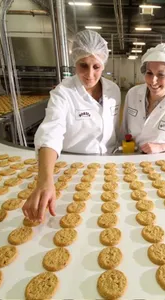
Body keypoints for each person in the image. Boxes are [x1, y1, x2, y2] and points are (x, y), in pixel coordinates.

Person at [23, 30, 120, 221]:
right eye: (83, 65)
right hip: (74, 170)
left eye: (96, 66)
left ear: (103, 64)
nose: (90, 74)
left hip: (109, 167)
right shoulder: (63, 92)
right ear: (75, 62)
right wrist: (44, 181)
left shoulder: (113, 90)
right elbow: (52, 131)